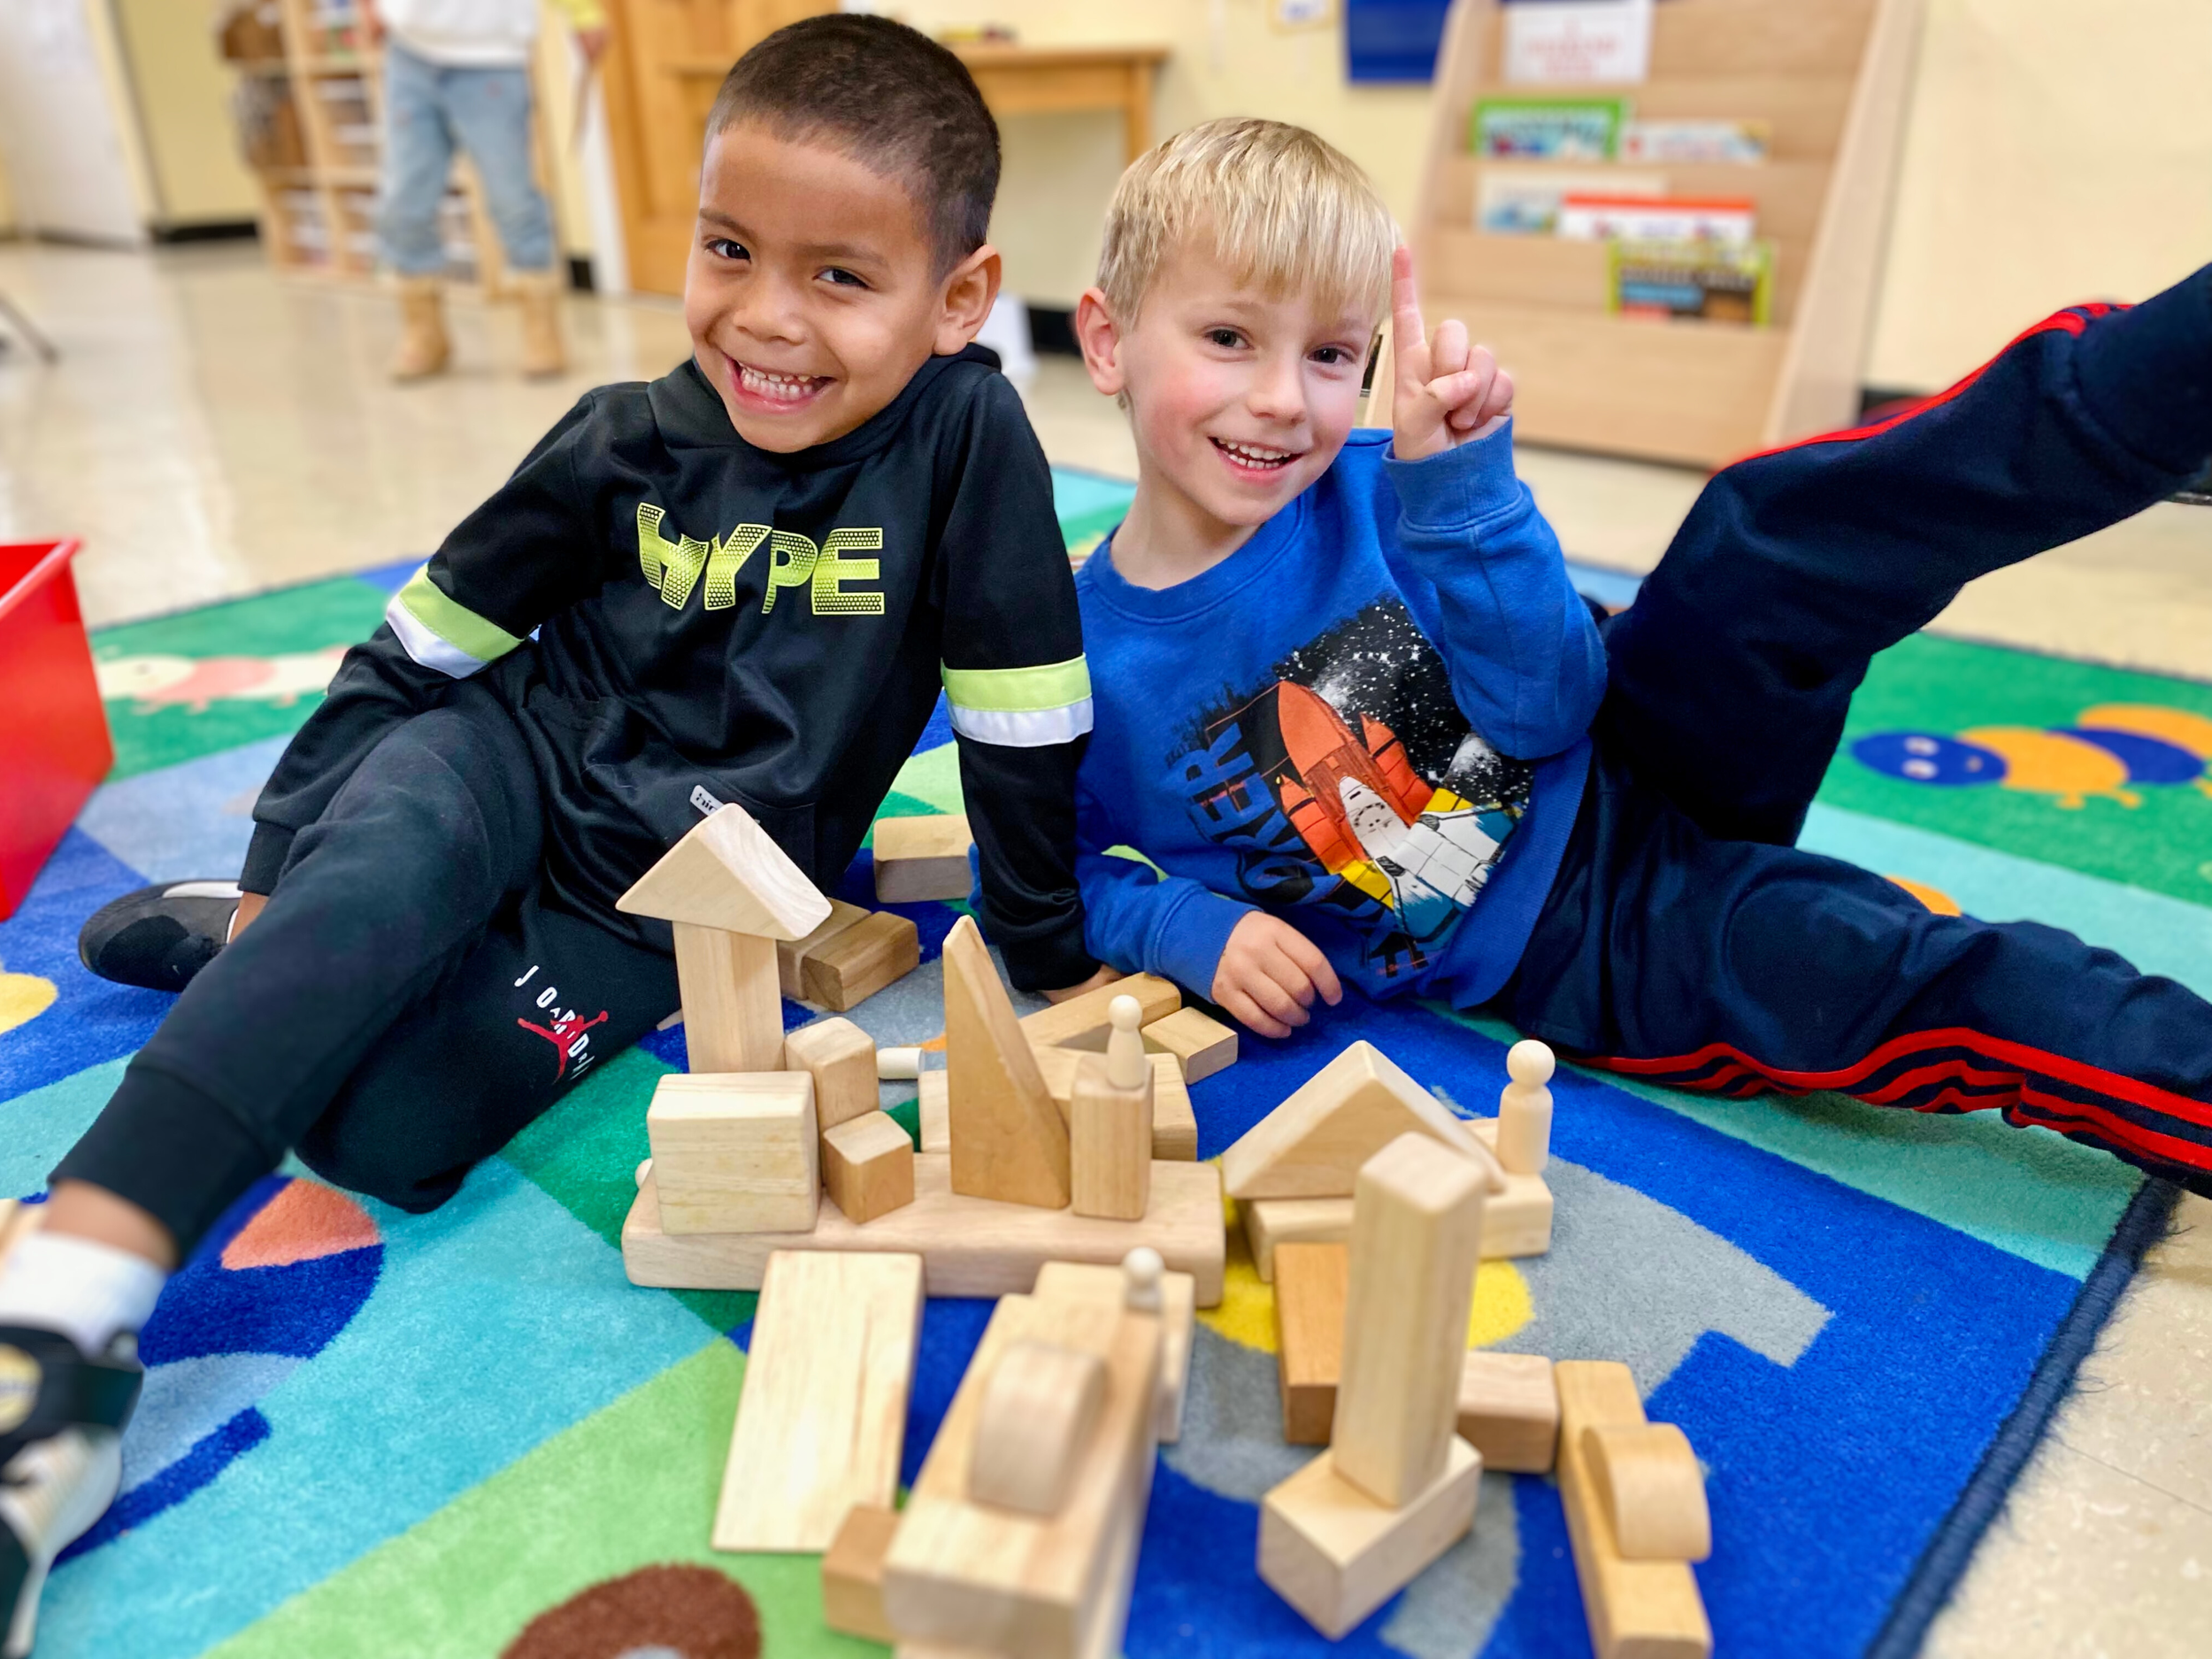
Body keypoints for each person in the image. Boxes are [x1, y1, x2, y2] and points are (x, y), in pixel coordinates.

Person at [5, 18, 1101, 1649]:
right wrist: (272, 856)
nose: (768, 319)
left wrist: (1047, 962)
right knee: (384, 863)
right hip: (496, 760)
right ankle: (64, 1316)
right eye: (730, 249)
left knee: (385, 1133)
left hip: (670, 901)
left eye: (841, 278)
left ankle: (301, 956)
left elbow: (1022, 711)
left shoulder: (966, 443)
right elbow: (419, 655)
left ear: (958, 298)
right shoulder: (619, 434)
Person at [1067, 119, 2212, 1192]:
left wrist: (1465, 494)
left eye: (1330, 355)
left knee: (1768, 531)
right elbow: (1034, 868)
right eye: (1228, 339)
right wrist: (1178, 925)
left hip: (1625, 734)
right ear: (1108, 340)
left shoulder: (1386, 484)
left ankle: (2176, 364)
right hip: (1590, 947)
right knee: (1918, 976)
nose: (1281, 400)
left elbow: (1551, 706)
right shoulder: (1062, 656)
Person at [359, 0, 606, 380]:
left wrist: (583, 14)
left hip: (492, 55)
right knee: (402, 202)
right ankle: (424, 332)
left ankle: (541, 329)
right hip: (408, 53)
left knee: (512, 200)